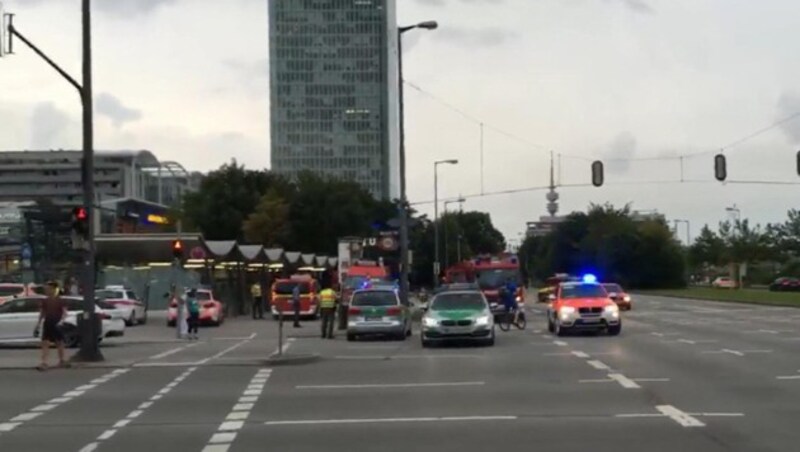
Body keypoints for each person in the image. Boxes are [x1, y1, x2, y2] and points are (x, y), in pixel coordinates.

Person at [34, 281, 69, 371]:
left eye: (49, 289)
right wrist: (38, 324)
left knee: (59, 342)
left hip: (56, 322)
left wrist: (61, 321)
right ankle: (44, 362)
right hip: (48, 322)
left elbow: (65, 312)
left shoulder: (60, 300)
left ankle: (62, 360)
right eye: (46, 289)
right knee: (45, 342)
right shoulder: (45, 301)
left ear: (54, 289)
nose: (47, 290)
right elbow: (42, 313)